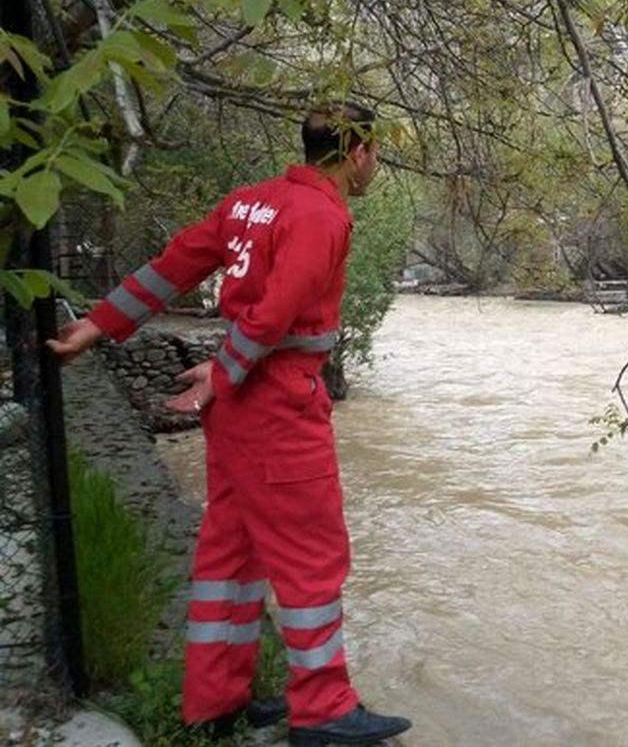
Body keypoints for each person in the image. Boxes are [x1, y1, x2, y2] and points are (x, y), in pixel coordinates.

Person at [47, 103, 413, 746]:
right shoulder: (321, 214)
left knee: (232, 551)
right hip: (277, 401)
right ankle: (324, 709)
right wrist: (226, 368)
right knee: (311, 556)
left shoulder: (250, 203)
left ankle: (216, 699)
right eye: (374, 153)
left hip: (238, 411)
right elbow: (278, 310)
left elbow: (175, 263)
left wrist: (99, 324)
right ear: (358, 151)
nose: (374, 165)